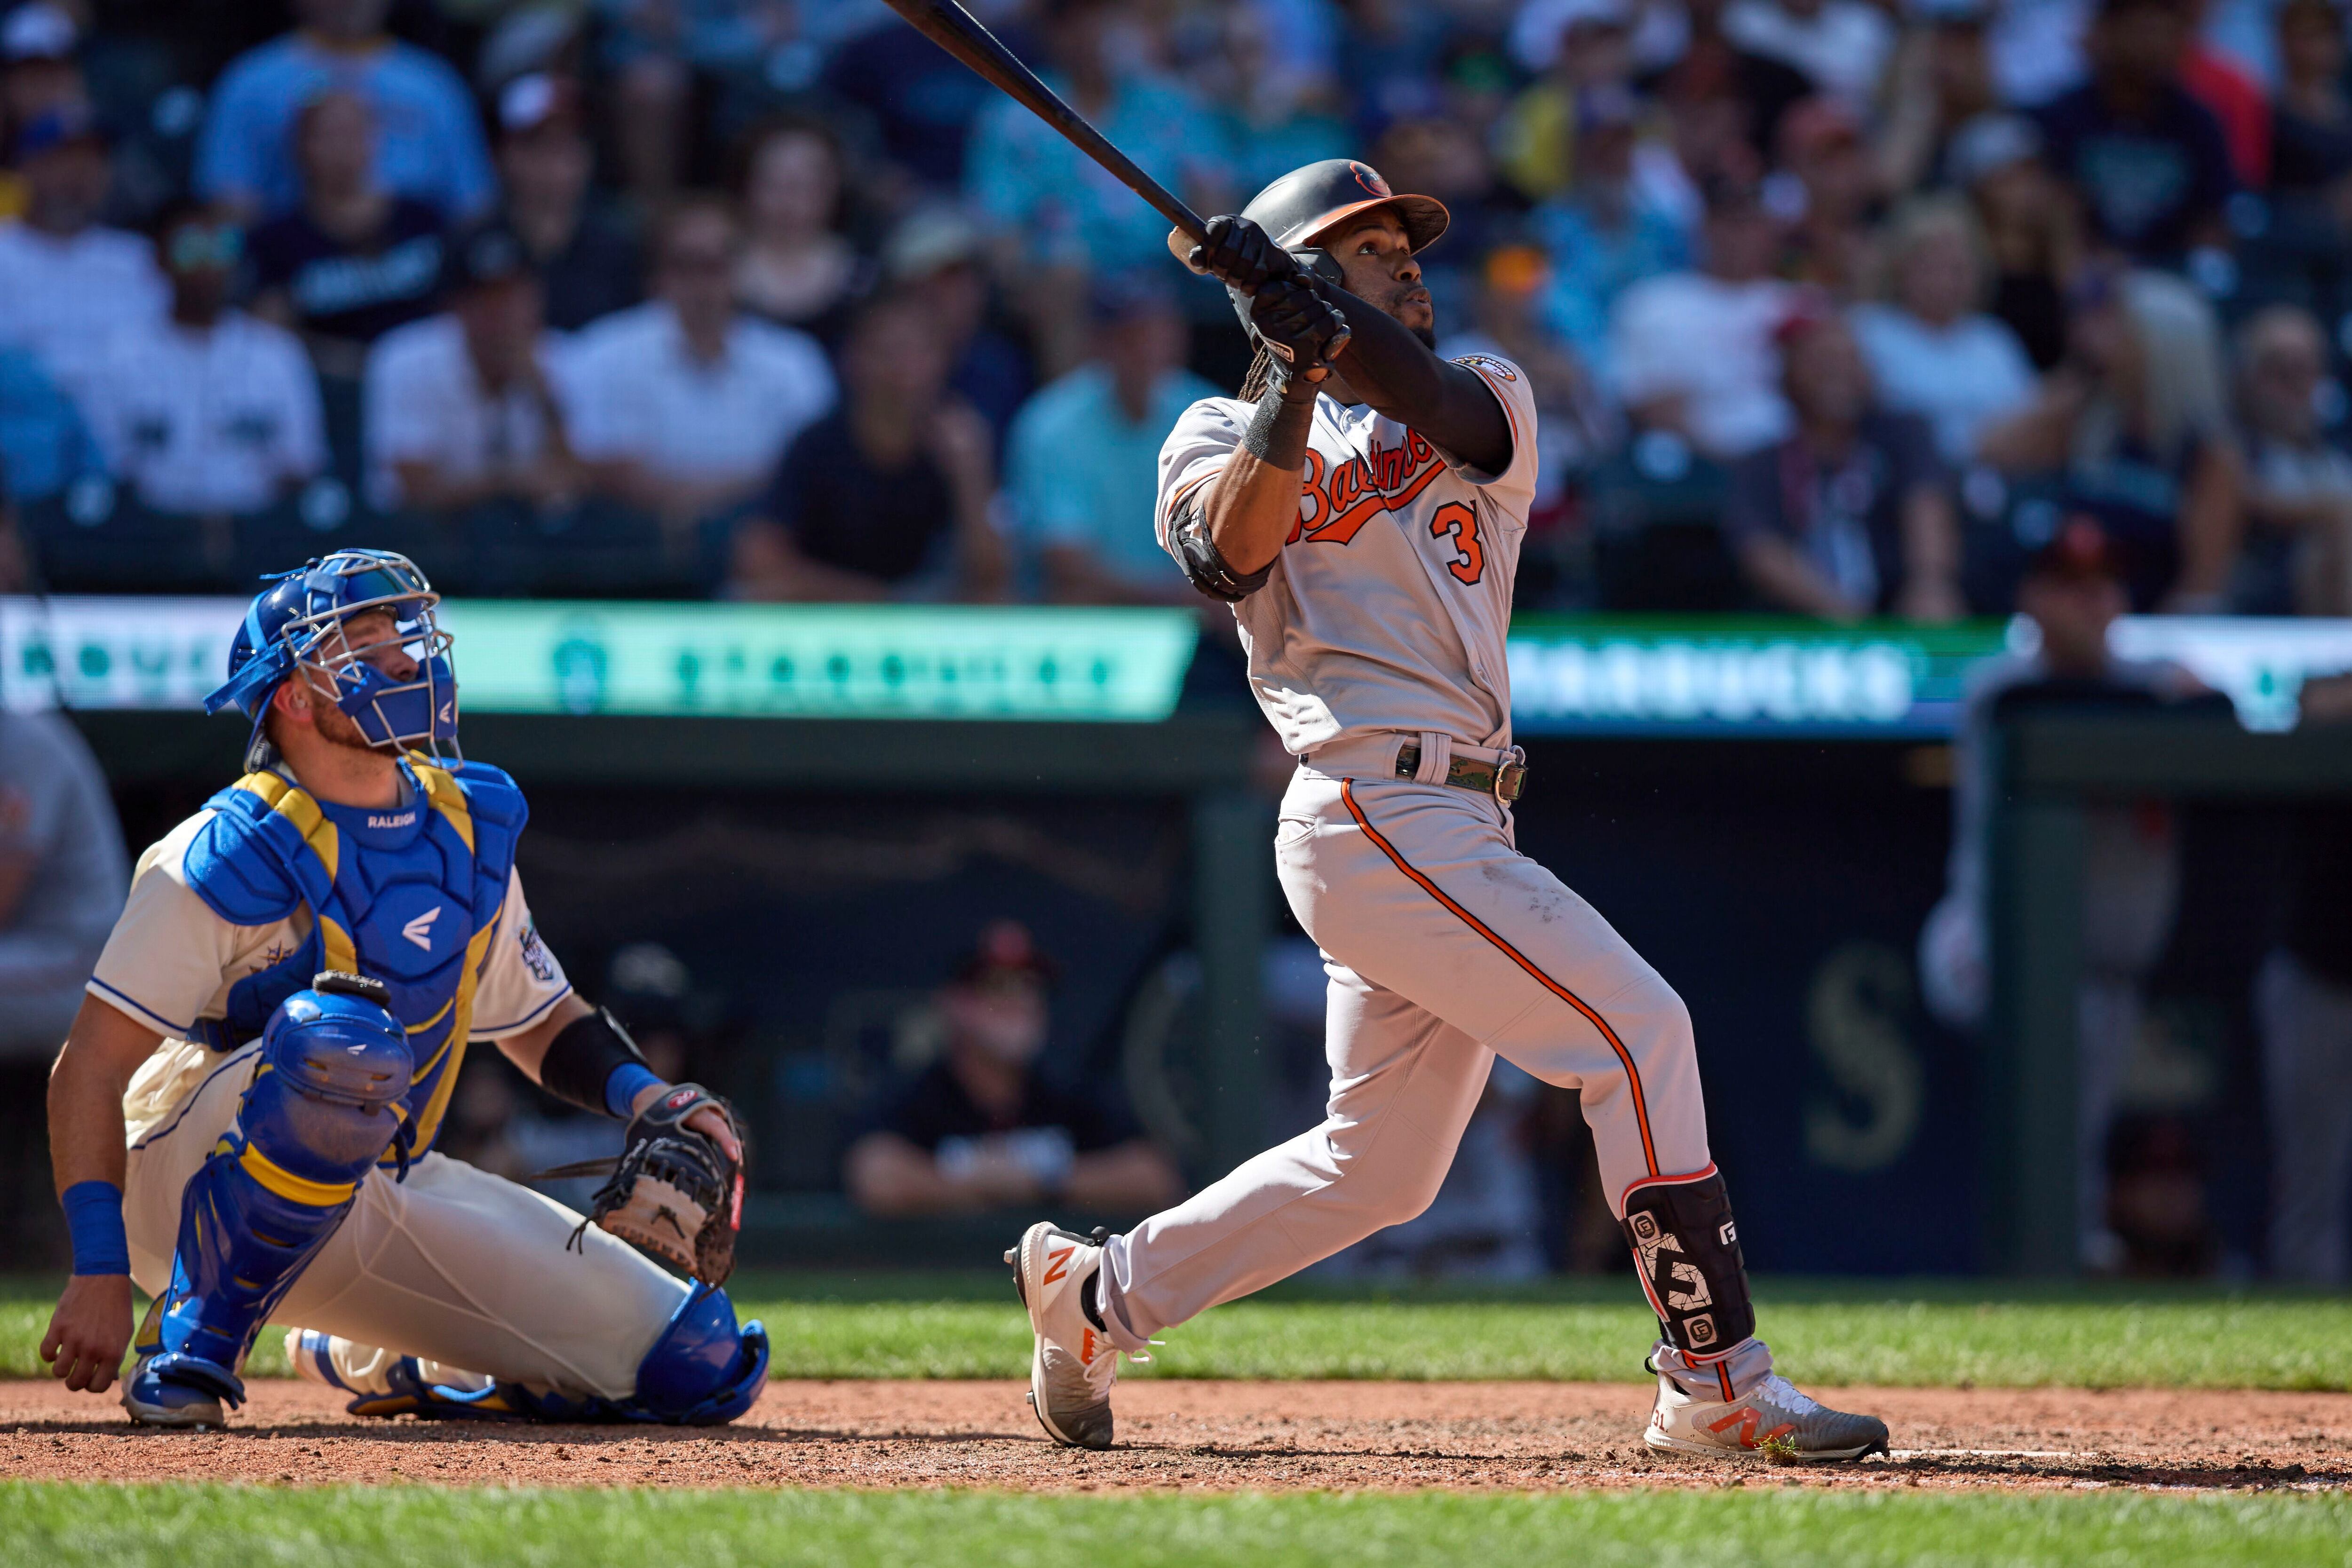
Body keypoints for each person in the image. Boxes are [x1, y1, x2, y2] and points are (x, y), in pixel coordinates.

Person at [1005, 158, 1888, 1461]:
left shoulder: (1484, 396)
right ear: (1299, 277)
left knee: (1384, 1163)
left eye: (1406, 246)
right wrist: (1289, 363)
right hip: (1369, 804)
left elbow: (1419, 394)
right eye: (1369, 250)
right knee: (1640, 1032)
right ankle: (1714, 1380)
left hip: (1465, 813)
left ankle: (1097, 1296)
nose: (1410, 263)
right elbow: (1225, 554)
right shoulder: (1209, 430)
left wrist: (1322, 323)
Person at [37, 549, 769, 1428]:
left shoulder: (464, 822)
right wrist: (100, 1264)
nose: (400, 655)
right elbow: (85, 1068)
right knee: (339, 1039)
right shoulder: (230, 847)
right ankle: (195, 1337)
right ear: (294, 696)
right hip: (179, 1177)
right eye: (359, 641)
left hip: (379, 1177)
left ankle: (374, 1353)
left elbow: (540, 1017)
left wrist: (652, 1097)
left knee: (700, 1362)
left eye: (400, 632)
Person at [1917, 518, 2205, 1272]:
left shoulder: (2161, 685)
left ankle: (2063, 1248)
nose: (2090, 604)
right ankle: (2056, 1244)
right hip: (1984, 939)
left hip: (2105, 963)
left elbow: (2220, 711)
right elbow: (2059, 708)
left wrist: (2189, 699)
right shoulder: (2004, 690)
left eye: (2103, 587)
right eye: (2068, 588)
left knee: (2082, 1083)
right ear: (2032, 600)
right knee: (2059, 1048)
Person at [844, 920, 1184, 1218]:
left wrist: (1041, 1182)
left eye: (1030, 987)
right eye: (997, 986)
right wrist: (984, 1184)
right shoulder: (919, 1094)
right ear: (956, 1004)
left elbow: (1154, 1179)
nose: (1019, 1002)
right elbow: (878, 1179)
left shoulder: (1065, 1092)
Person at [1976, 265, 2243, 610]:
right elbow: (1989, 449)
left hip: (2148, 632)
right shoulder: (2089, 420)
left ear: (2164, 346)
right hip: (2064, 617)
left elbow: (2200, 590)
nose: (2099, 337)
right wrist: (2080, 374)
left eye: (2119, 327)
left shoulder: (2209, 453)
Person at [566, 198, 835, 529]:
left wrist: (691, 498)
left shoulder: (795, 361)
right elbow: (606, 469)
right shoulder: (605, 351)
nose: (702, 283)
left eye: (716, 265)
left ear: (741, 271)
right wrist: (751, 483)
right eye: (686, 265)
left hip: (756, 545)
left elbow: (810, 473)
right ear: (658, 274)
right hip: (632, 548)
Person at [730, 291, 1005, 602]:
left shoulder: (961, 443)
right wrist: (873, 599)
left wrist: (970, 476)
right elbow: (757, 558)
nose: (903, 370)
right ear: (853, 360)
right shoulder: (818, 444)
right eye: (888, 351)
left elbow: (991, 578)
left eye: (919, 352)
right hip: (834, 613)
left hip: (930, 617)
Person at [76, 202, 326, 516]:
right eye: (191, 247)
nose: (208, 263)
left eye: (222, 247)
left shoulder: (277, 353)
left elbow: (303, 465)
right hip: (149, 534)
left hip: (258, 534)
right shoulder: (115, 355)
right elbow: (105, 469)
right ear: (160, 259)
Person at [1724, 307, 1964, 621]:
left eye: (1849, 361)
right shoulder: (1759, 463)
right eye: (1821, 362)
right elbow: (1763, 553)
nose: (1838, 374)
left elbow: (1927, 507)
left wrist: (1931, 585)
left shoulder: (1905, 436)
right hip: (1804, 626)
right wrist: (1847, 619)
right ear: (1787, 375)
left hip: (1901, 612)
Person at [1007, 274, 1218, 605]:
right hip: (1095, 622)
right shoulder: (1051, 425)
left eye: (1160, 331)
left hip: (1200, 619)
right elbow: (1067, 565)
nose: (1149, 347)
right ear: (1100, 342)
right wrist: (1186, 597)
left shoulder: (1212, 415)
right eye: (1131, 335)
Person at [194, 0, 496, 222]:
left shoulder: (435, 85)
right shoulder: (250, 84)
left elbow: (473, 206)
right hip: (296, 276)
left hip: (420, 274)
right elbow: (226, 205)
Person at [361, 221, 586, 513]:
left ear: (537, 300)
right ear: (458, 307)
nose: (502, 315)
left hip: (530, 543)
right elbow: (415, 488)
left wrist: (544, 394)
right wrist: (511, 483)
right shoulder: (404, 359)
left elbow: (582, 480)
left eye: (512, 297)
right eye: (485, 300)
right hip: (423, 541)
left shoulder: (565, 358)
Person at [2255, 672, 2352, 1283]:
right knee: (2310, 1187)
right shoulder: (2326, 687)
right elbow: (2310, 703)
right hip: (2318, 969)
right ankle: (2313, 1315)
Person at [247, 90, 448, 379]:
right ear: (302, 146)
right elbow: (268, 336)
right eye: (329, 135)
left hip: (423, 380)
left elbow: (456, 311)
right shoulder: (276, 240)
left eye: (354, 132)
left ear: (375, 138)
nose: (343, 146)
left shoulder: (423, 220)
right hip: (327, 389)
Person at [2033, 0, 2235, 267]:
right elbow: (2053, 210)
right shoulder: (2063, 117)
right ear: (2107, 33)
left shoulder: (2199, 123)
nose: (2155, 46)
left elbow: (2214, 217)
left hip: (2171, 278)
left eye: (2167, 33)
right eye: (2144, 31)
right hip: (2084, 273)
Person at [1608, 174, 1796, 461]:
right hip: (1697, 471)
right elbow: (1651, 406)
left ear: (1771, 230)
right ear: (1704, 227)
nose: (1739, 234)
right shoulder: (1654, 303)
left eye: (1752, 222)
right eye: (1728, 222)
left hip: (1791, 470)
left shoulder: (1800, 305)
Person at [1850, 197, 2039, 465]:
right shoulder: (1868, 331)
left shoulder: (1996, 342)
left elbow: (2028, 429)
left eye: (1957, 269)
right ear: (1899, 267)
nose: (1943, 282)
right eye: (1929, 266)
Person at [0, 102, 167, 398]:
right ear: (27, 167)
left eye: (95, 159)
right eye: (66, 158)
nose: (81, 173)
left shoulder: (139, 258)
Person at [493, 74, 643, 335]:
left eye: (571, 143)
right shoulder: (475, 243)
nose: (559, 162)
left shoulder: (619, 248)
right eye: (543, 144)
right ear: (508, 153)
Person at [2235, 305, 2352, 616]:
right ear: (2248, 380)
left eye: (2305, 370)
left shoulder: (2334, 458)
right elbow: (2252, 501)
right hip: (2268, 598)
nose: (2296, 386)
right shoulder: (2233, 452)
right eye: (2280, 372)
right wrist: (2331, 510)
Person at [731, 117, 864, 348]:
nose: (790, 200)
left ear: (837, 188)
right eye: (775, 183)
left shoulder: (864, 277)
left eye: (807, 184)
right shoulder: (714, 268)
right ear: (747, 184)